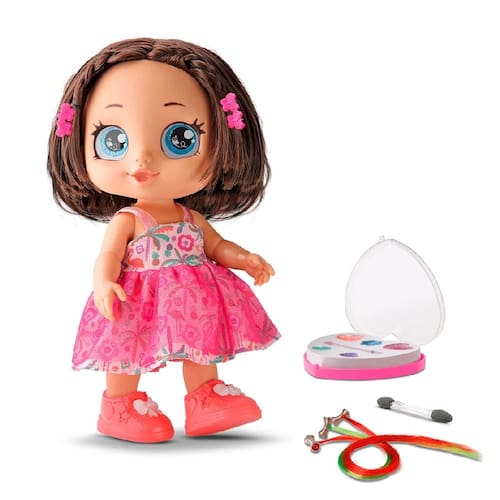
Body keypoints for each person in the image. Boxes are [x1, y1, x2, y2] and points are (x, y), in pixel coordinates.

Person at [47, 38, 280, 443]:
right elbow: (109, 255)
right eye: (113, 141)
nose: (142, 159)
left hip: (192, 301)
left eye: (180, 138)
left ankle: (205, 397)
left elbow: (216, 247)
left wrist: (245, 258)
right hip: (136, 298)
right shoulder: (129, 219)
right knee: (126, 349)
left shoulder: (191, 218)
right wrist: (104, 283)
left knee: (200, 344)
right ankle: (120, 405)